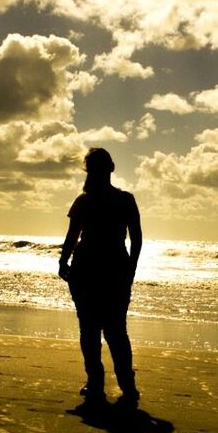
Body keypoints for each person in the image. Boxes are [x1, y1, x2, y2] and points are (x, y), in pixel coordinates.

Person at [59, 148, 142, 407]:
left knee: (90, 330)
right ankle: (127, 386)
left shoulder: (83, 201)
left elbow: (72, 238)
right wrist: (130, 269)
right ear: (112, 168)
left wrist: (63, 261)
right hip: (115, 269)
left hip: (86, 269)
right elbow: (137, 239)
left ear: (88, 171)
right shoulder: (125, 200)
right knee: (116, 330)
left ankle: (96, 383)